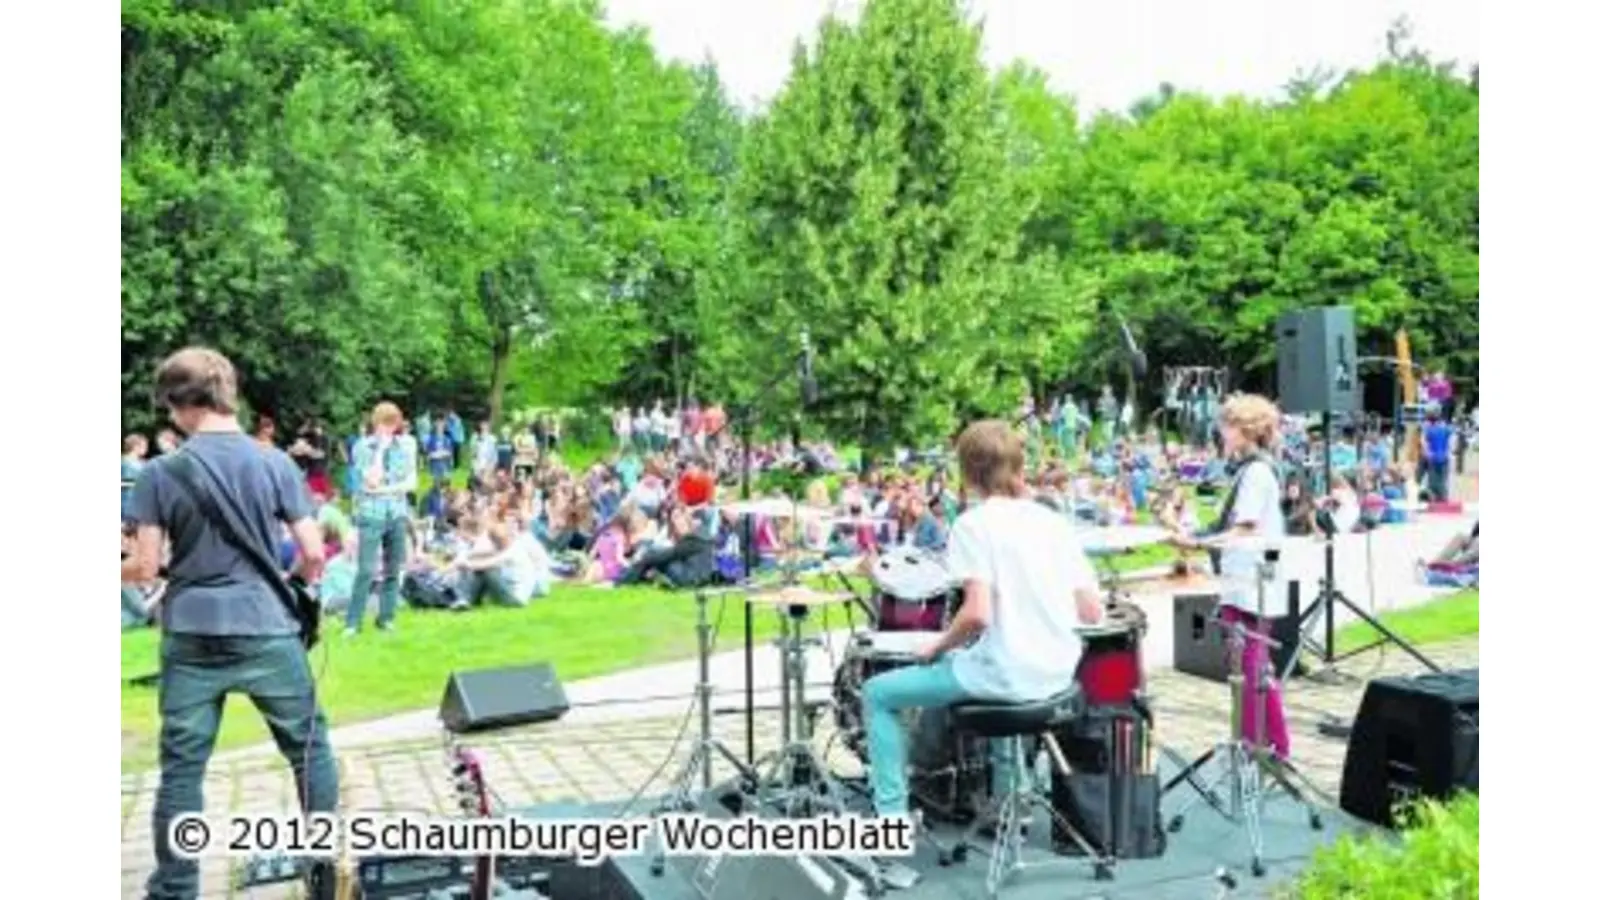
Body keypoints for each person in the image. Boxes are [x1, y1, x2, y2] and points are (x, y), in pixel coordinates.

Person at [123, 347, 336, 899]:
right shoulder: (276, 462)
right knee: (310, 749)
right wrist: (291, 583)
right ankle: (322, 875)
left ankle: (175, 889)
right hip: (266, 627)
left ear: (178, 403)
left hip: (192, 632)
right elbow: (313, 552)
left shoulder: (158, 473)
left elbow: (145, 567)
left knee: (182, 769)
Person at [859, 420, 1104, 820]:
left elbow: (976, 614)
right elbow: (1091, 611)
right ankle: (1012, 807)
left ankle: (890, 826)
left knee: (877, 693)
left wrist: (936, 647)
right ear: (1018, 464)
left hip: (1006, 676)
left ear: (968, 472)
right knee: (979, 661)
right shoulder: (1054, 523)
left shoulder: (974, 524)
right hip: (1058, 674)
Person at [1166, 394, 1291, 760]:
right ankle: (1267, 743)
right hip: (1245, 579)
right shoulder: (1251, 470)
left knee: (1251, 669)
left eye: (1226, 425)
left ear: (1245, 429)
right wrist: (1194, 535)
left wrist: (1195, 542)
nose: (1221, 432)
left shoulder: (1255, 473)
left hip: (1251, 582)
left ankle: (1258, 745)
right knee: (1251, 667)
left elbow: (1243, 529)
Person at [344, 401, 418, 635]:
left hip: (396, 512)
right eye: (385, 424)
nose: (389, 429)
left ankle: (386, 618)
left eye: (393, 424)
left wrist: (386, 490)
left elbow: (411, 482)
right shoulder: (363, 447)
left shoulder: (405, 447)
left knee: (393, 569)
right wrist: (381, 451)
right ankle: (353, 622)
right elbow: (370, 481)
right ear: (376, 423)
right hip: (371, 514)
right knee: (366, 569)